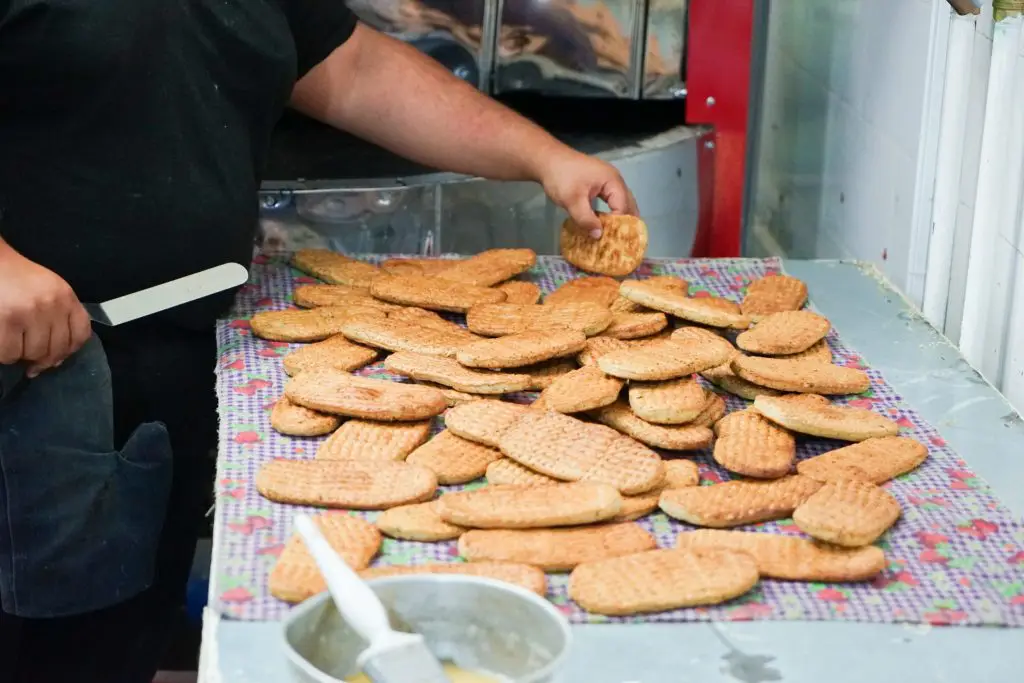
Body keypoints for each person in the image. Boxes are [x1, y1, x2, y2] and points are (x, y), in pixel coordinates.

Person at [0, 1, 638, 682]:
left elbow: (355, 70)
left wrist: (546, 158)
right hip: (36, 377)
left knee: (113, 640)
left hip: (178, 347)